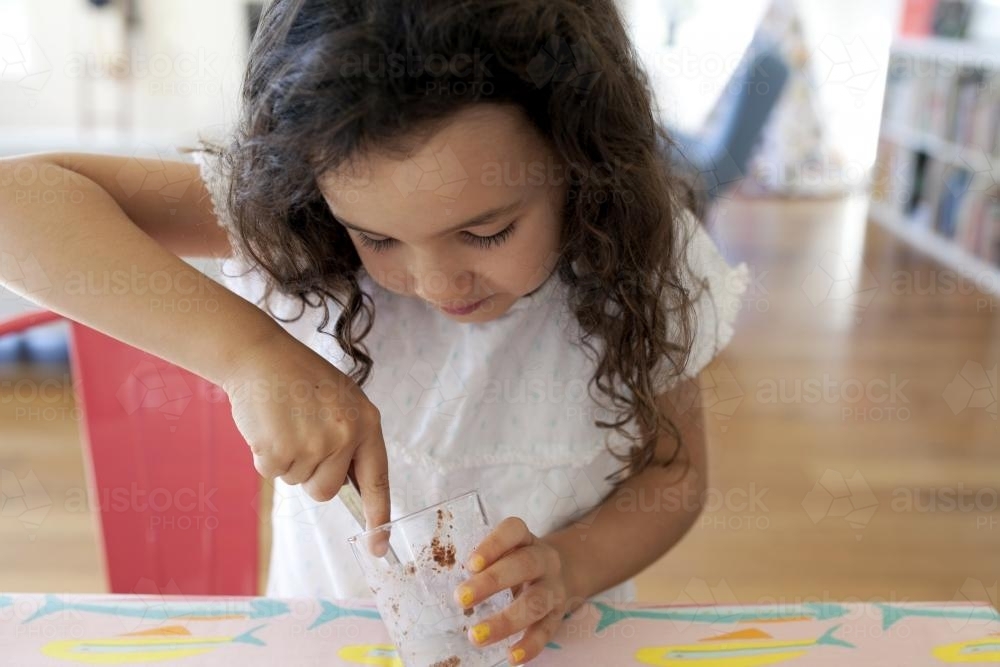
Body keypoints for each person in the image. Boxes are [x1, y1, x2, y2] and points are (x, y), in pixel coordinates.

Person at [0, 1, 747, 663]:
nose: (434, 282)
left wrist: (567, 566)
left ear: (580, 165)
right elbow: (16, 203)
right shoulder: (292, 216)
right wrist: (250, 354)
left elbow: (672, 476)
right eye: (376, 239)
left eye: (485, 232)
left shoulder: (645, 256)